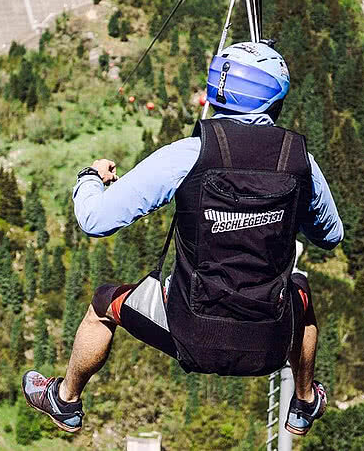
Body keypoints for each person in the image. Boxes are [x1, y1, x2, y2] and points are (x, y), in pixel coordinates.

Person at [22, 41, 343, 435]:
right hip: (268, 339)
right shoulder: (299, 160)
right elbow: (330, 234)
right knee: (300, 289)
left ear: (216, 92)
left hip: (188, 329)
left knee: (105, 303)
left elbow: (94, 219)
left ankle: (65, 399)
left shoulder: (188, 155)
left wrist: (89, 177)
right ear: (274, 98)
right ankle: (305, 402)